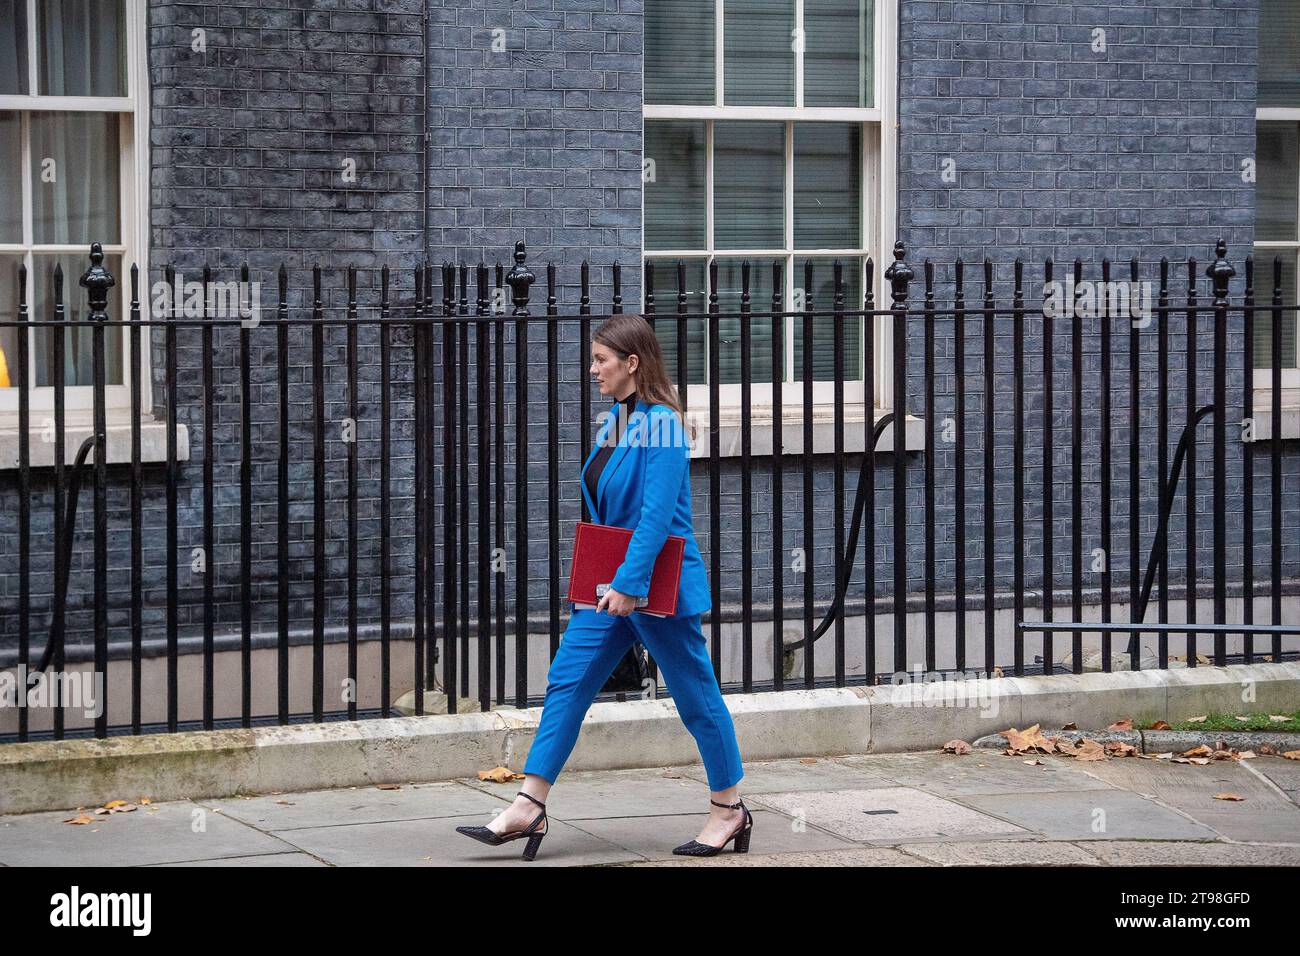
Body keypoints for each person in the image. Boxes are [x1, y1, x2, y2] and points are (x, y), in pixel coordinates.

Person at [455, 312, 750, 861]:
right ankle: (529, 803)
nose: (593, 370)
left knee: (695, 697)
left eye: (601, 360)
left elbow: (658, 516)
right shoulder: (616, 419)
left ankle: (729, 810)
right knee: (567, 681)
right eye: (593, 359)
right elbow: (603, 506)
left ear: (632, 363)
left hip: (654, 588)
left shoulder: (663, 423)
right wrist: (604, 577)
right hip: (607, 586)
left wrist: (631, 583)